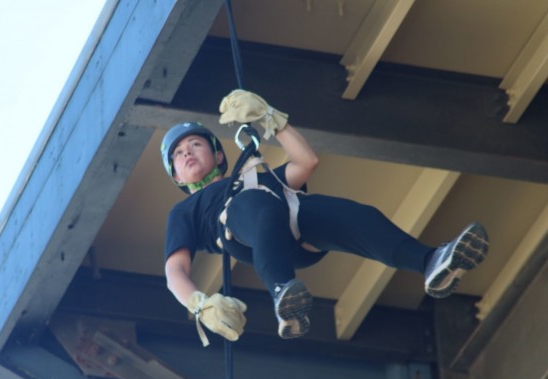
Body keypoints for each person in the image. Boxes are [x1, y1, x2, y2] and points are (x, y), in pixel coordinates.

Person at [162, 89, 489, 346]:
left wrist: (270, 116)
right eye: (178, 154)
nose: (187, 152)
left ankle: (431, 261)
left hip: (290, 222)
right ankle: (283, 295)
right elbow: (174, 270)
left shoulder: (257, 177)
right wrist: (199, 305)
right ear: (176, 177)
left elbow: (306, 162)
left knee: (358, 217)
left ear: (219, 155)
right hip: (244, 231)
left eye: (195, 144)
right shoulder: (184, 212)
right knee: (254, 207)